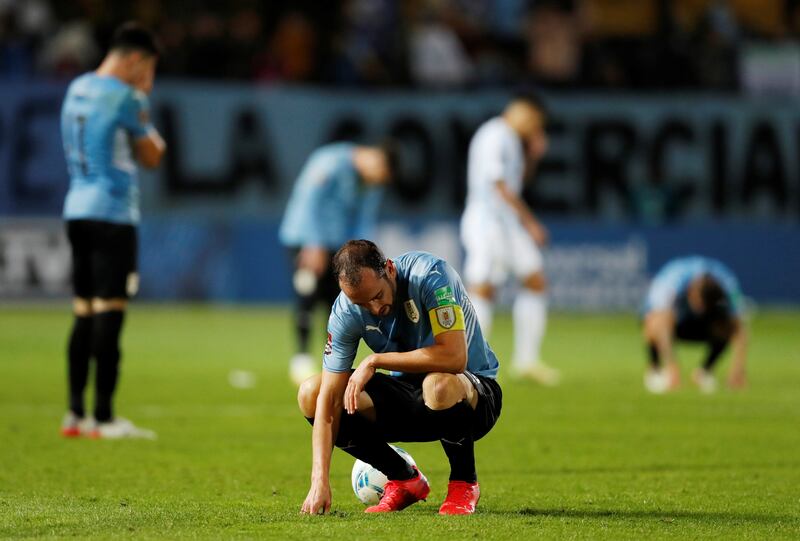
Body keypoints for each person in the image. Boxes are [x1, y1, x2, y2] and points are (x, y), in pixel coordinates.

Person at [298, 240, 502, 515]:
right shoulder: (346, 311)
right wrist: (319, 480)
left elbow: (455, 358)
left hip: (473, 395)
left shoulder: (430, 275)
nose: (374, 308)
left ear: (390, 270)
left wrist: (375, 360)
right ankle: (404, 479)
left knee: (438, 385)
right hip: (411, 397)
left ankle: (464, 482)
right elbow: (329, 399)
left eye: (378, 295)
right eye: (362, 303)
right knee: (311, 392)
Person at [60, 22, 166, 439]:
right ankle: (104, 418)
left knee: (83, 312)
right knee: (110, 315)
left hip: (76, 208)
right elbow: (152, 156)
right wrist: (146, 113)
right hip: (112, 215)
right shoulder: (127, 97)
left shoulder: (76, 88)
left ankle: (74, 414)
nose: (149, 79)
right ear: (137, 61)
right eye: (150, 69)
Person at [459, 92, 559, 385]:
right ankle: (467, 362)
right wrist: (532, 223)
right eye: (535, 121)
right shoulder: (495, 134)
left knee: (535, 280)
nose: (534, 127)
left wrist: (532, 156)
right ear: (522, 112)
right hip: (486, 220)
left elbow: (516, 183)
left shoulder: (513, 141)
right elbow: (499, 186)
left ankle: (527, 360)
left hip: (506, 221)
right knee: (483, 288)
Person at [279, 142, 397, 386]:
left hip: (338, 248)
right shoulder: (330, 162)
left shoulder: (370, 184)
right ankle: (300, 358)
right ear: (376, 159)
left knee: (337, 302)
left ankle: (330, 362)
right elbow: (308, 200)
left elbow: (364, 219)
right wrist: (313, 243)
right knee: (307, 293)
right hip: (305, 239)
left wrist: (361, 253)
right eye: (381, 175)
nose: (378, 181)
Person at [642, 256, 748, 394]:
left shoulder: (727, 284)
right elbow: (659, 321)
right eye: (698, 303)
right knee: (653, 324)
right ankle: (655, 369)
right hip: (674, 319)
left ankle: (705, 371)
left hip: (706, 323)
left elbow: (739, 327)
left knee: (725, 326)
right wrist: (672, 365)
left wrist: (737, 370)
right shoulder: (672, 281)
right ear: (692, 292)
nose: (700, 309)